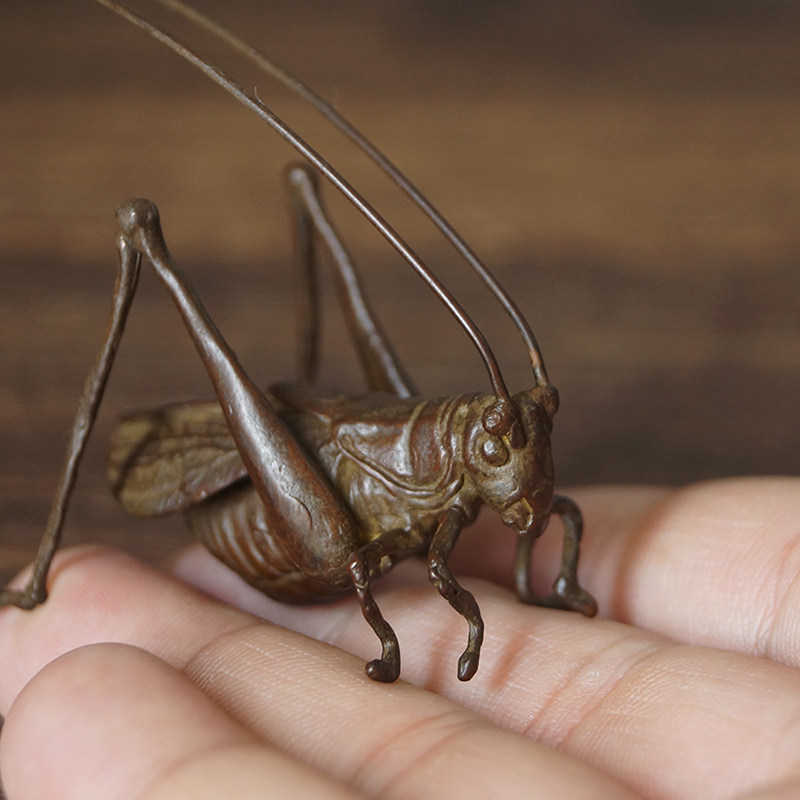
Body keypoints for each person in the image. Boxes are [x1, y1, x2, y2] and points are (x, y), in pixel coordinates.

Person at [1, 477, 798, 799]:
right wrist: (405, 642)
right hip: (285, 533)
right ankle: (38, 572)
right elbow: (431, 577)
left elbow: (555, 519)